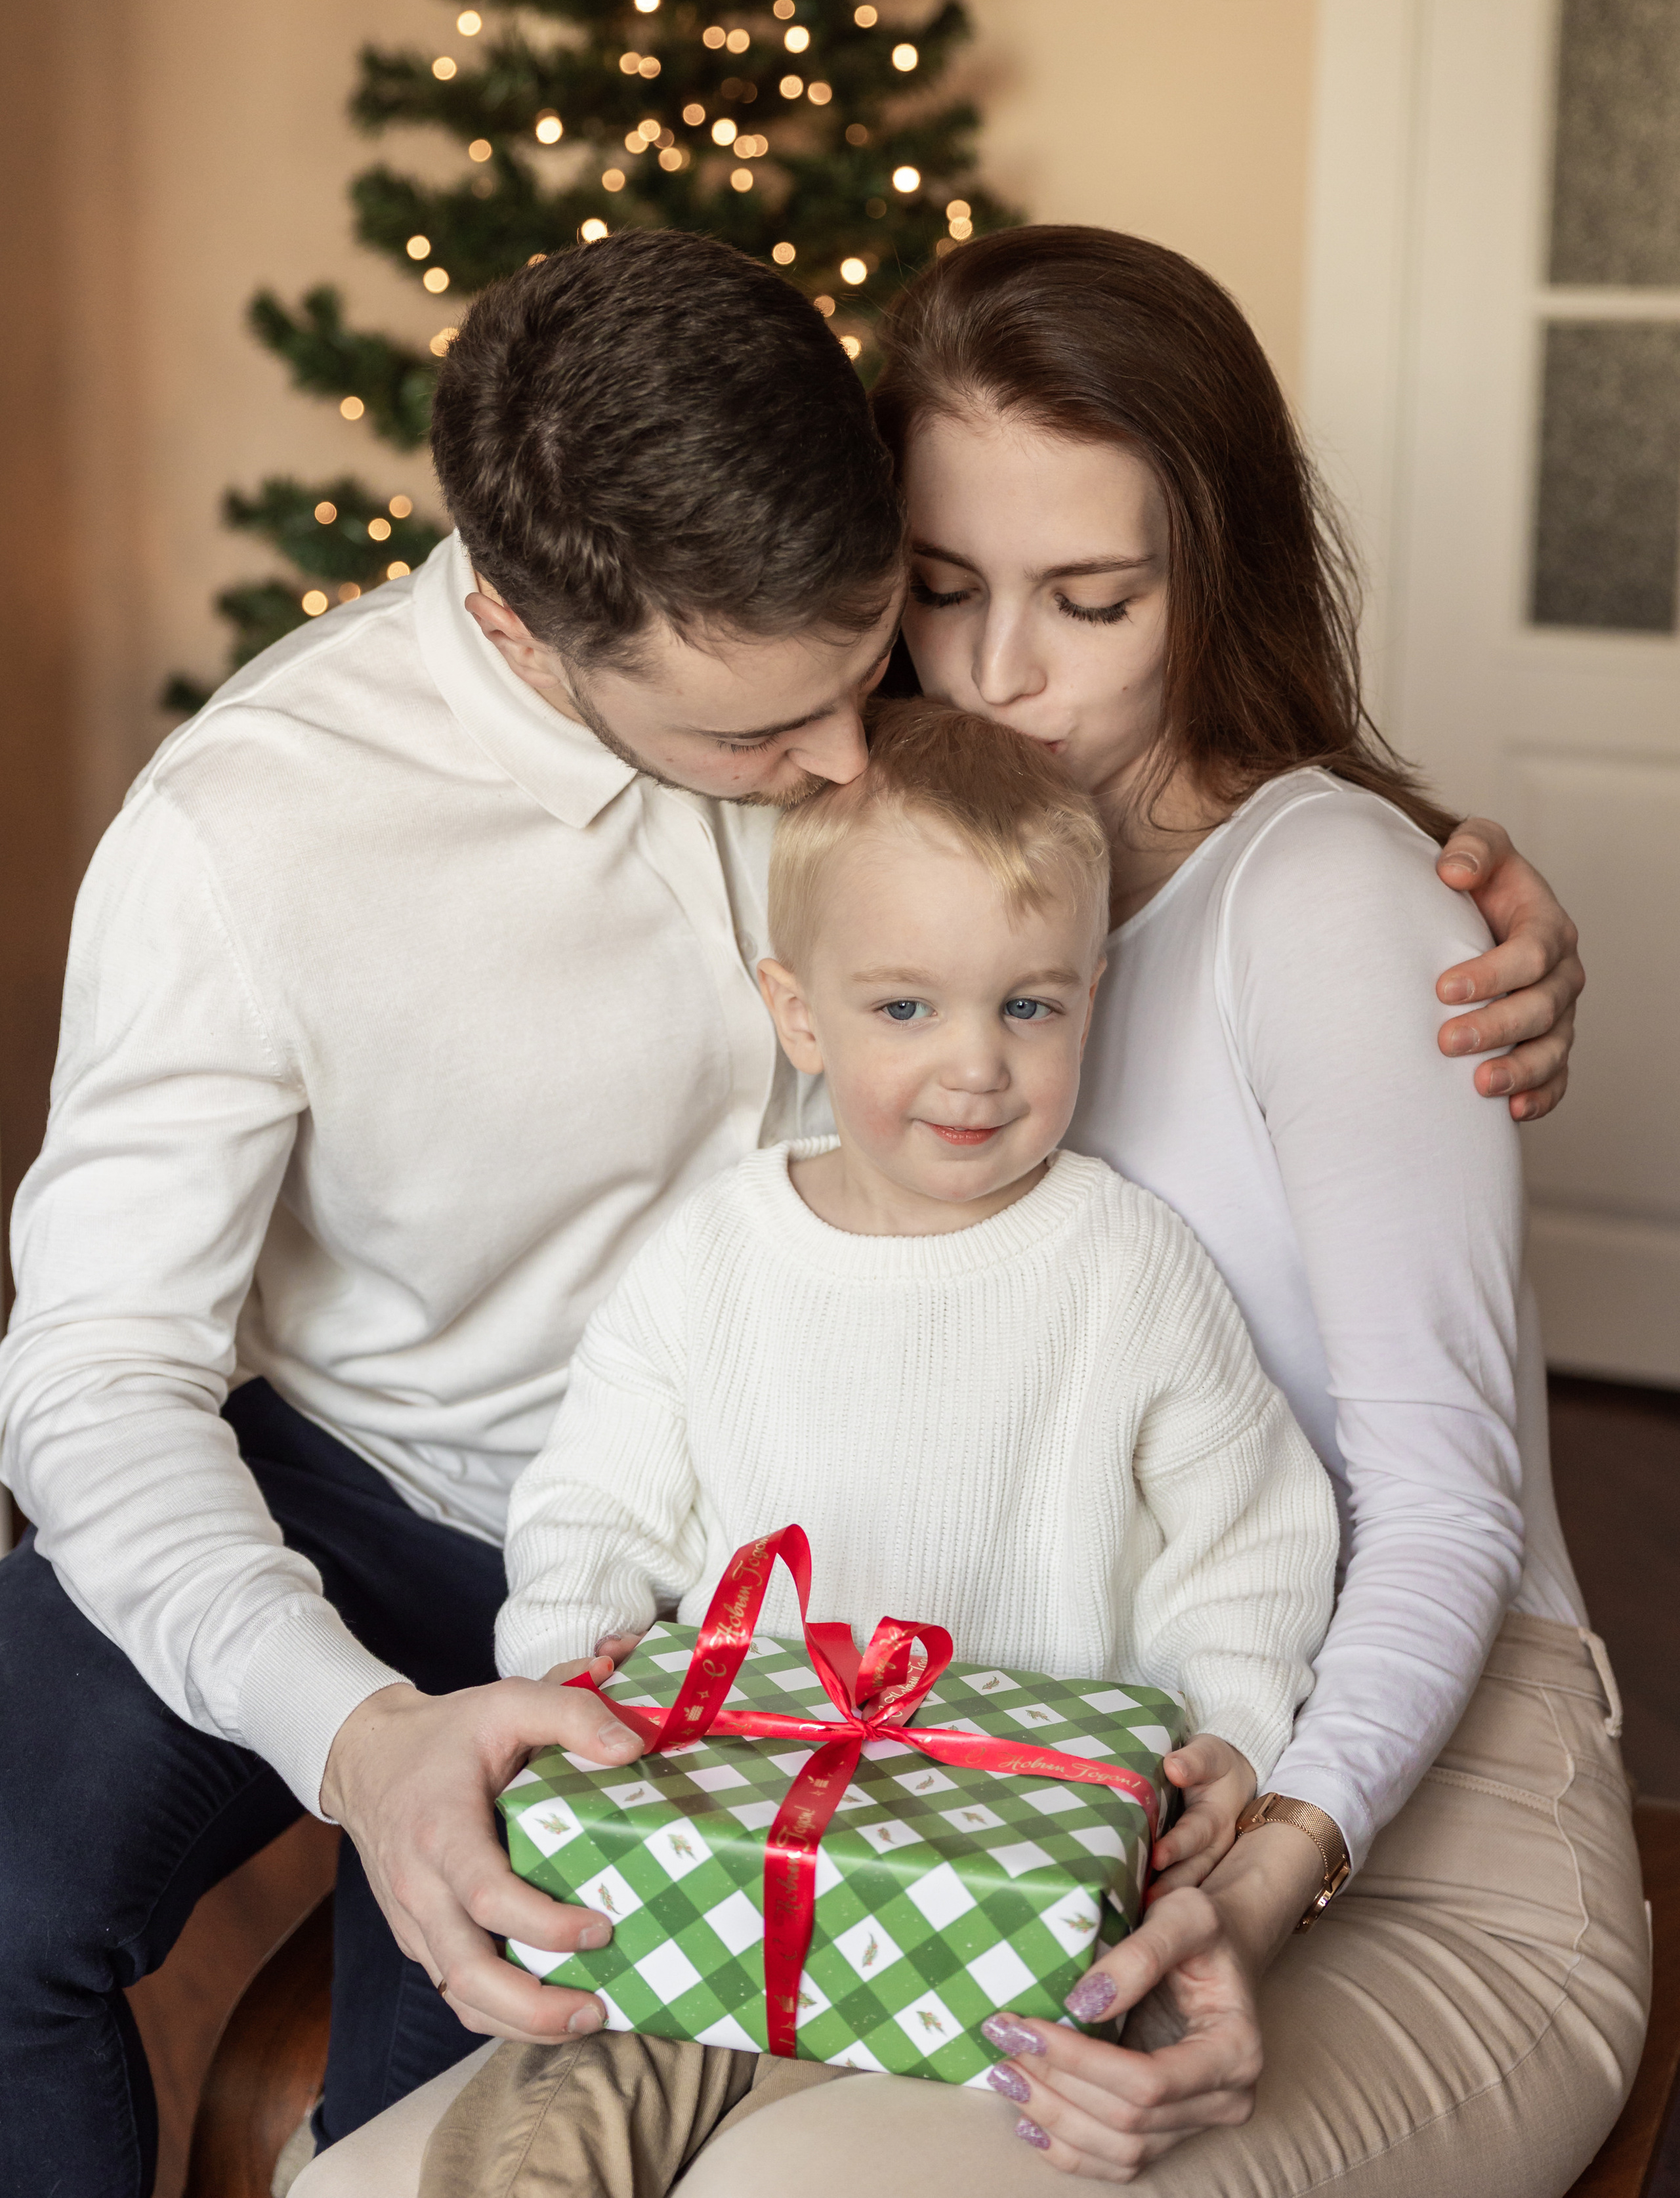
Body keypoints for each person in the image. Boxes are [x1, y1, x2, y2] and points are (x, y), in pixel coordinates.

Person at [0, 229, 1580, 2195]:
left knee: (434, 2115)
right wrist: (354, 1733)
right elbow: (94, 1375)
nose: (855, 757)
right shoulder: (245, 835)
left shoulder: (916, 686)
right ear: (521, 628)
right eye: (757, 742)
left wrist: (1447, 921)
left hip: (749, 1581)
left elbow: (1189, 706)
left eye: (873, 656)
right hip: (360, 1474)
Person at [656, 228, 1647, 2198]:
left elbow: (1444, 1500)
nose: (999, 672)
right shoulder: (850, 850)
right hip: (1019, 1798)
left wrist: (1267, 1865)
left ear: (1219, 576)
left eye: (1092, 600)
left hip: (1420, 1844)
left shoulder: (1333, 903)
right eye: (941, 588)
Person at [419, 694, 1341, 2198]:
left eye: (1027, 1007)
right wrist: (573, 1664)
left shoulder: (1128, 1266)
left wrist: (1228, 1733)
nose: (975, 1066)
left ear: (1091, 993)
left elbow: (1246, 1538)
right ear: (798, 1014)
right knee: (549, 2129)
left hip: (1015, 1891)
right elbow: (592, 1505)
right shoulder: (710, 1255)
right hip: (717, 1846)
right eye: (905, 1010)